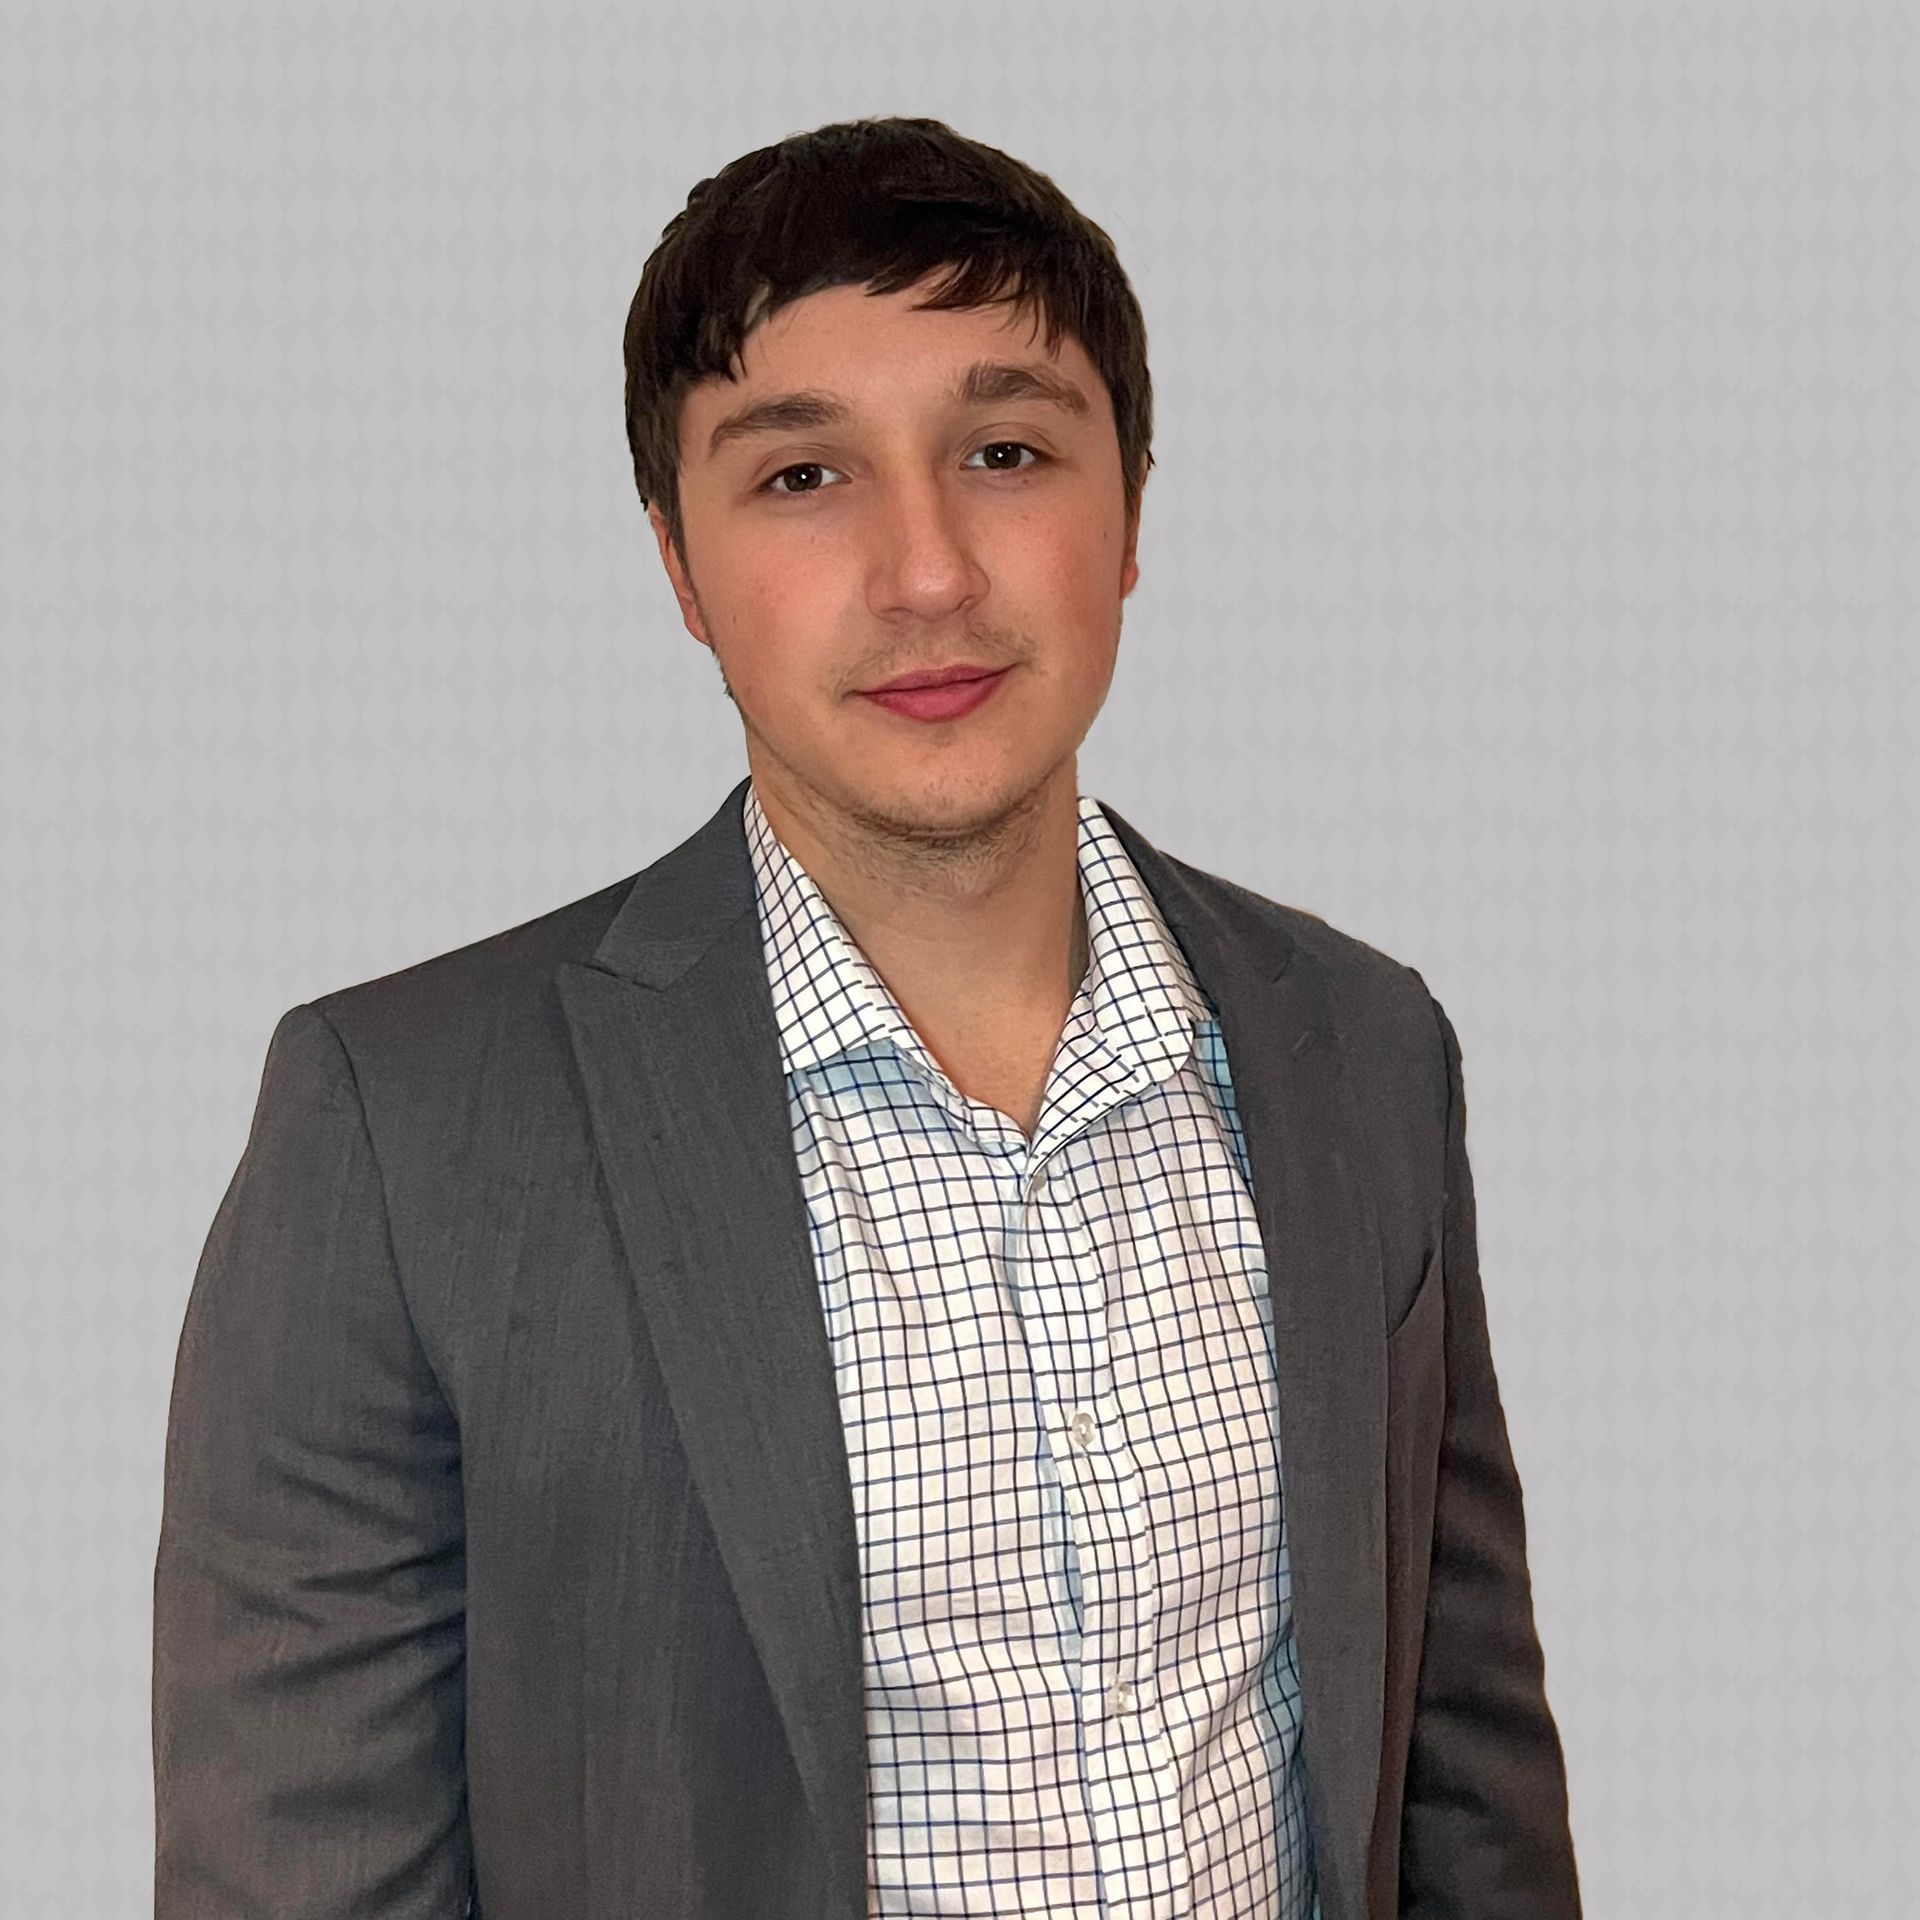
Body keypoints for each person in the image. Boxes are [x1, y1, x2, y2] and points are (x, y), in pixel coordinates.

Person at [153, 114, 1582, 1920]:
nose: (927, 573)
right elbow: (301, 1869)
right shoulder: (402, 1129)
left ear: (1130, 512)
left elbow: (1468, 1777)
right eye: (803, 476)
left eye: (1005, 452)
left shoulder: (1364, 1050)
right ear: (680, 567)